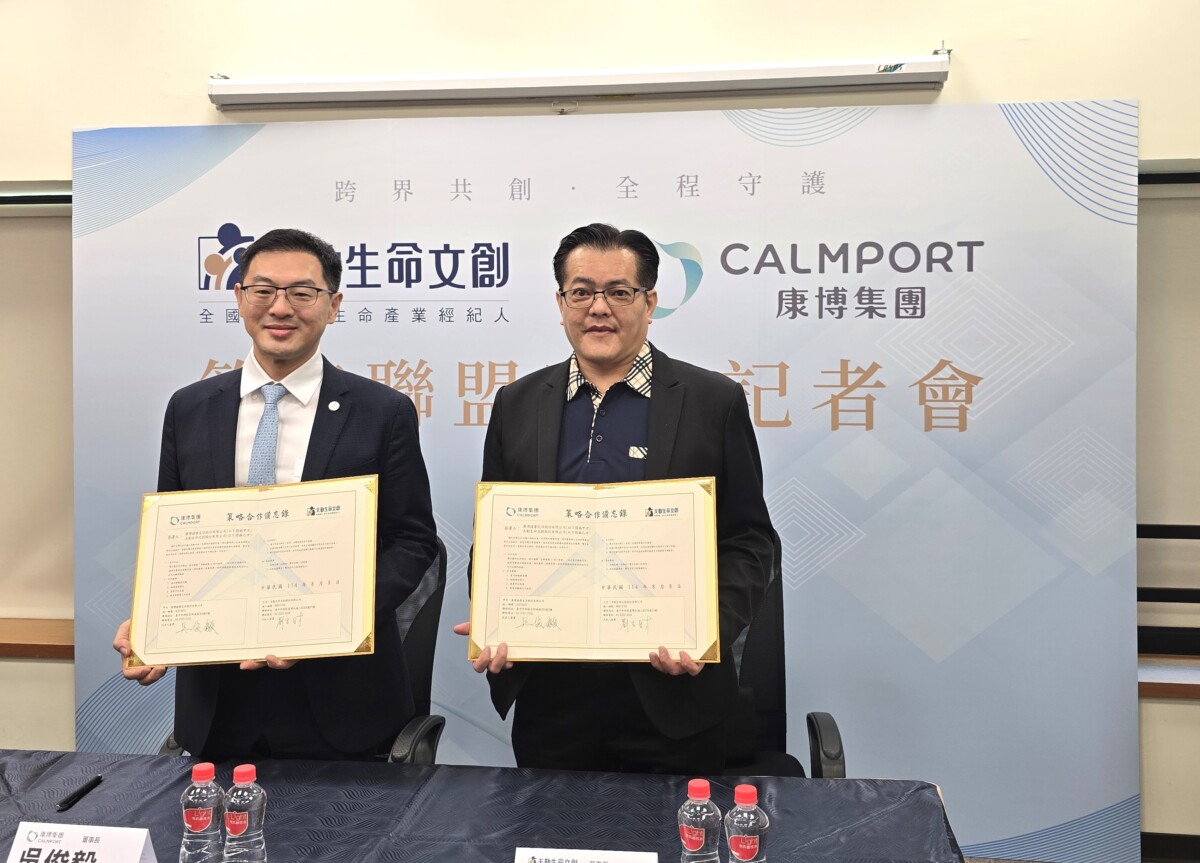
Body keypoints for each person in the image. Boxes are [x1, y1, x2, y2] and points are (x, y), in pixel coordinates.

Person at [457, 223, 776, 773]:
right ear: (561, 303)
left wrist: (707, 632)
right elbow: (496, 538)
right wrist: (494, 616)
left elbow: (749, 540)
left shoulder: (712, 401)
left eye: (619, 292)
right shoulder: (517, 402)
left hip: (671, 699)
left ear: (649, 303)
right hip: (550, 694)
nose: (598, 308)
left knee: (671, 828)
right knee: (547, 826)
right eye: (581, 292)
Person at [113, 228, 437, 761]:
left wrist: (327, 619)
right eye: (263, 290)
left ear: (333, 305)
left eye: (302, 293)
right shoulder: (190, 408)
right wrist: (155, 623)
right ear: (240, 297)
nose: (280, 308)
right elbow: (174, 541)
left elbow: (412, 541)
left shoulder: (382, 412)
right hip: (217, 700)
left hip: (341, 703)